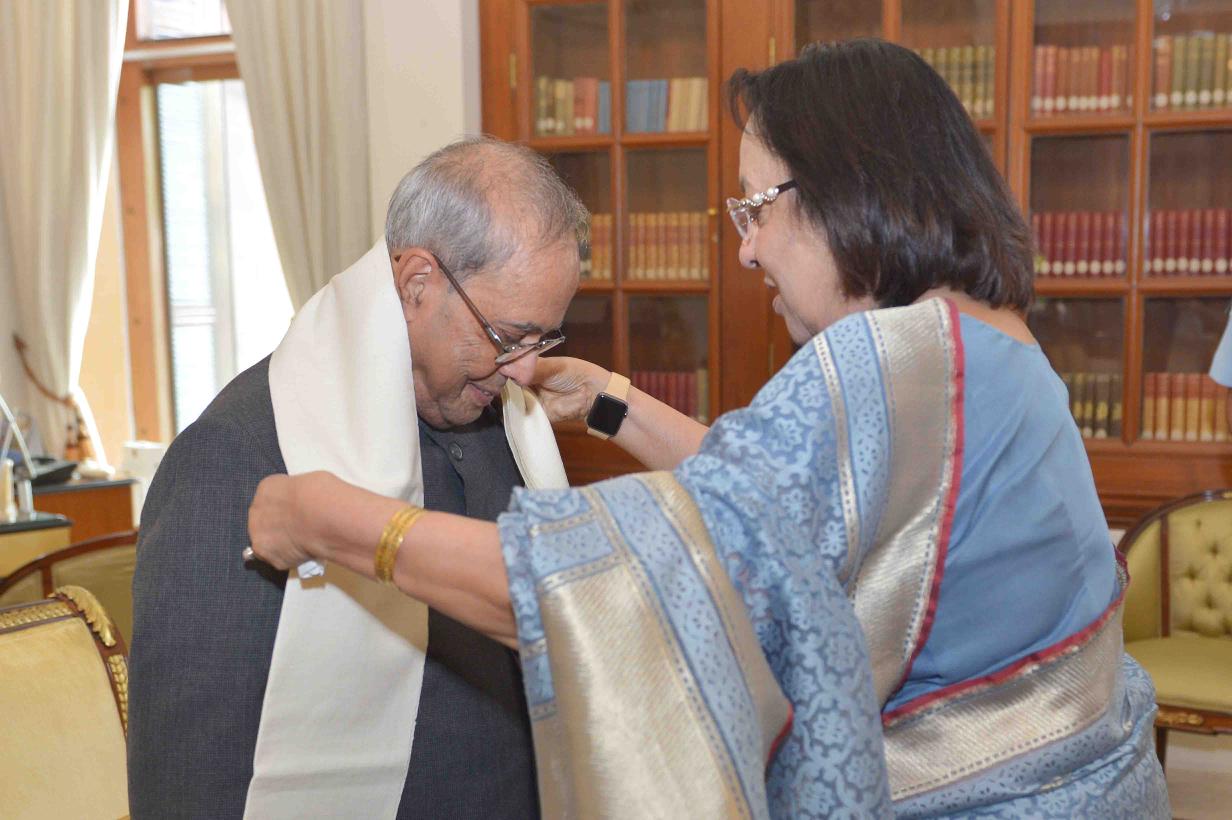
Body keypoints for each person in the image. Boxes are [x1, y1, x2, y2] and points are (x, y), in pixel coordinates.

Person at [248, 40, 1170, 818]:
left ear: (846, 192)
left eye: (755, 206)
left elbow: (610, 593)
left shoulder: (882, 364)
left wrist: (331, 518)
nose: (747, 248)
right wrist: (608, 400)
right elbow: (776, 512)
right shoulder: (992, 343)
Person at [127, 137, 586, 818]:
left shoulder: (509, 424)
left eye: (541, 340)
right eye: (507, 336)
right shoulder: (238, 453)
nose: (524, 369)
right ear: (417, 283)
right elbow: (191, 764)